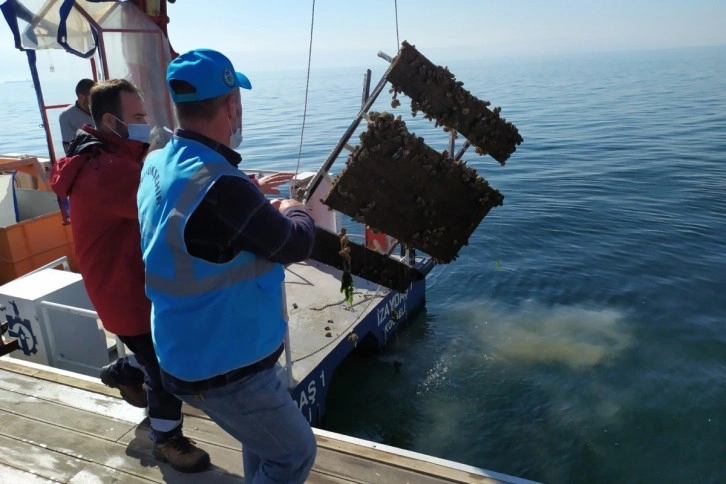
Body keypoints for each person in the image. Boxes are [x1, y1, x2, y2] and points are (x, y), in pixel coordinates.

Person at [137, 48, 317, 483]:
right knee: (294, 455)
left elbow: (196, 224)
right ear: (233, 105)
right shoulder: (221, 189)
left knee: (264, 445)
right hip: (225, 365)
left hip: (184, 347)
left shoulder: (158, 160)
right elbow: (294, 243)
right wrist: (294, 208)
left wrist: (250, 195)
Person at [49, 79, 211, 473]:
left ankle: (121, 371)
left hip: (128, 281)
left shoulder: (114, 155)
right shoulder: (107, 170)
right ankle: (167, 440)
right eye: (138, 117)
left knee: (153, 351)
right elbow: (165, 207)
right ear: (110, 120)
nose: (147, 123)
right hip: (125, 288)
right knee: (164, 365)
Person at [59, 78, 95, 154]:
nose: (97, 101)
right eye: (93, 98)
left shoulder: (102, 110)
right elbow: (68, 148)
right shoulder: (67, 116)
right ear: (81, 97)